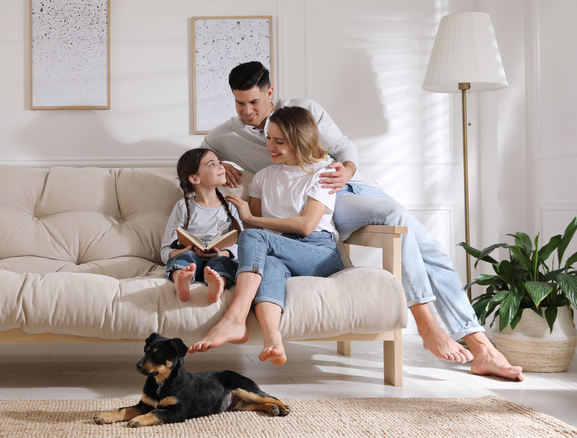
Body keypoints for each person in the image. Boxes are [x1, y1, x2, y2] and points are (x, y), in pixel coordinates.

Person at [196, 61, 524, 381]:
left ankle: (468, 341)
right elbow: (203, 151)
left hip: (345, 188)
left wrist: (346, 171)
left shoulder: (303, 109)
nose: (247, 111)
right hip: (314, 205)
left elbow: (342, 147)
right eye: (240, 103)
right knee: (403, 225)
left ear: (270, 92)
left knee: (427, 247)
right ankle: (459, 340)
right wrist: (222, 163)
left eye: (254, 101)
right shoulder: (231, 135)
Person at [189, 106, 344, 365]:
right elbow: (255, 236)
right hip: (279, 251)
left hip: (318, 252)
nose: (270, 146)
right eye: (268, 138)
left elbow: (306, 225)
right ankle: (274, 339)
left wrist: (250, 219)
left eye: (279, 141)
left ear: (299, 140)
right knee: (268, 263)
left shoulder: (323, 173)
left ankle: (235, 318)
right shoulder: (262, 178)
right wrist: (223, 248)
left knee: (256, 239)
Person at [161, 148, 243, 303]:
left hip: (219, 257)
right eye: (212, 164)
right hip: (191, 259)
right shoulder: (182, 207)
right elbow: (165, 250)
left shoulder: (230, 206)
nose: (221, 167)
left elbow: (243, 245)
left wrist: (223, 254)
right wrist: (184, 250)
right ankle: (181, 280)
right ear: (195, 178)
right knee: (185, 258)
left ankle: (218, 284)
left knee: (223, 264)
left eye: (219, 162)